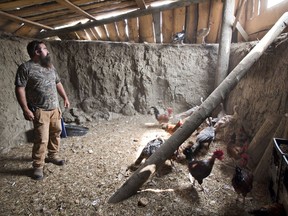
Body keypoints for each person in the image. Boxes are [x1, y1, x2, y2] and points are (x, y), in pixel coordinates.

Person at [15, 40, 70, 180]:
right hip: (40, 110)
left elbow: (57, 82)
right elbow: (19, 88)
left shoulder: (49, 66)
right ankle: (38, 166)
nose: (48, 51)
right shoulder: (25, 68)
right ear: (37, 52)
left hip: (54, 109)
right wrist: (25, 109)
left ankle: (52, 155)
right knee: (41, 139)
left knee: (56, 133)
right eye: (45, 49)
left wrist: (65, 97)